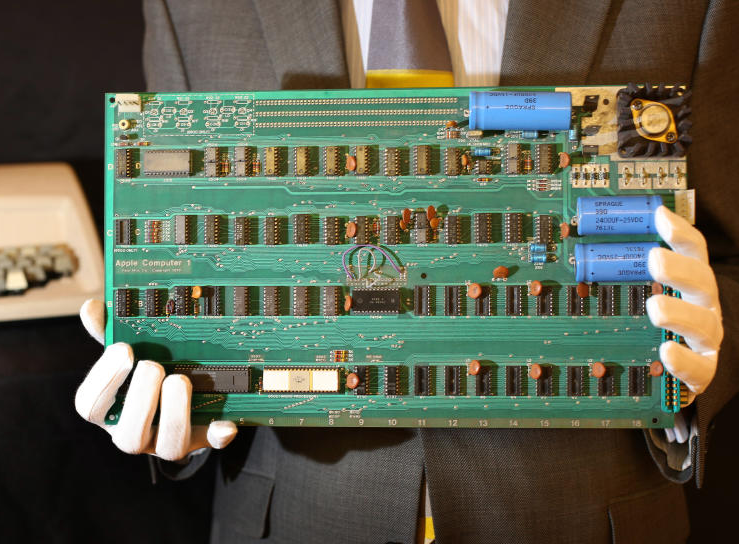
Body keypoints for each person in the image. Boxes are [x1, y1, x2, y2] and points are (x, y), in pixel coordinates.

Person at [76, 1, 737, 541]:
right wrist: (178, 399)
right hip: (299, 520)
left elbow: (728, 262)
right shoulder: (187, 8)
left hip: (582, 519)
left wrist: (701, 359)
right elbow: (179, 239)